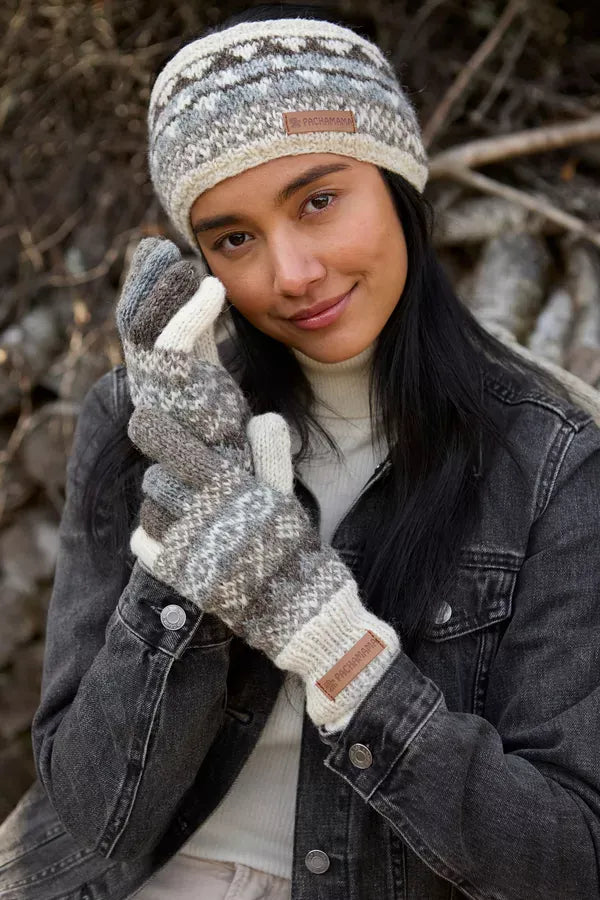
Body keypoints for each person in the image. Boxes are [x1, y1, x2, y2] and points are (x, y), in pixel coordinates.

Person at [2, 5, 600, 899]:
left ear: (398, 186)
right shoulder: (145, 417)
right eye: (233, 238)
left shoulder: (553, 460)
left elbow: (566, 857)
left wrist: (338, 652)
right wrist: (182, 583)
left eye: (319, 201)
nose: (291, 274)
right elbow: (92, 814)